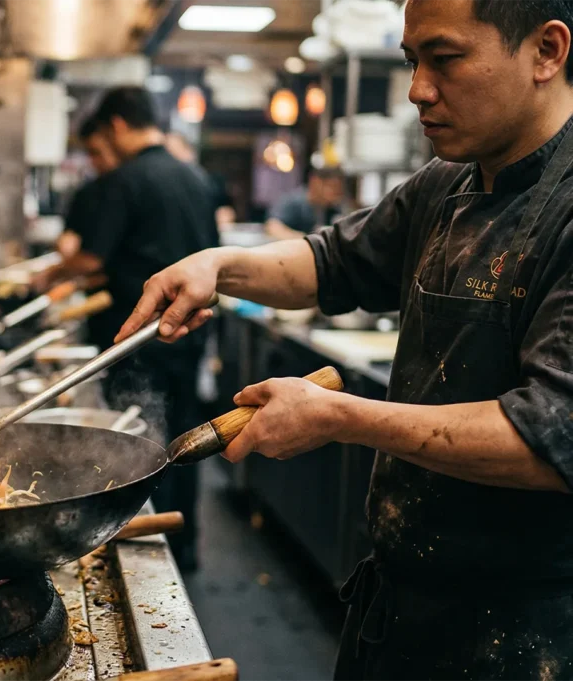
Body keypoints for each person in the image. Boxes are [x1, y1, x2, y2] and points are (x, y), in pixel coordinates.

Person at [115, 0, 573, 677]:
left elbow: (551, 439)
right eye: (413, 61)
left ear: (547, 51)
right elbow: (333, 261)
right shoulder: (445, 185)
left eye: (444, 59)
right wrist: (217, 267)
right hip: (396, 608)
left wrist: (338, 417)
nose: (418, 88)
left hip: (519, 637)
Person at [39, 86, 220, 572]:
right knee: (188, 436)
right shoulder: (196, 178)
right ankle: (183, 544)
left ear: (117, 125)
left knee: (137, 444)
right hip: (191, 334)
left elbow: (93, 259)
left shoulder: (126, 180)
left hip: (139, 341)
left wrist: (46, 277)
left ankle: (142, 550)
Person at [56, 117, 121, 259]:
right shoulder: (88, 193)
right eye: (90, 154)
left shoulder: (132, 188)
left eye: (97, 152)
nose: (93, 161)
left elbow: (94, 260)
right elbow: (69, 236)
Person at [166, 131, 237, 228]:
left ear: (189, 153)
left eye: (174, 152)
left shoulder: (208, 181)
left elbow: (225, 211)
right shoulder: (163, 187)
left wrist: (223, 215)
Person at [265, 167, 346, 240]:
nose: (336, 193)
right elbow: (272, 226)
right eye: (332, 186)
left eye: (339, 189)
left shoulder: (333, 209)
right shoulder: (293, 201)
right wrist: (305, 240)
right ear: (315, 182)